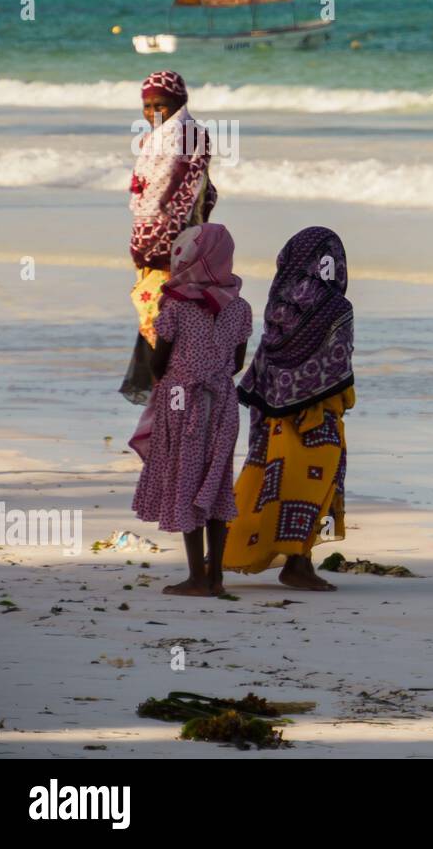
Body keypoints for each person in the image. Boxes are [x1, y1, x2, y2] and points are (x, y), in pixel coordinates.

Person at [223, 228, 355, 591]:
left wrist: (277, 401)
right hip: (318, 416)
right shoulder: (338, 308)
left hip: (274, 416)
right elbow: (339, 365)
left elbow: (264, 360)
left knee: (274, 485)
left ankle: (241, 551)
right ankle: (298, 564)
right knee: (315, 487)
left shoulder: (277, 302)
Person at [129, 223, 252, 595]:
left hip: (182, 400)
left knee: (186, 480)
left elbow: (158, 360)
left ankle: (196, 577)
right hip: (223, 401)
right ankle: (215, 576)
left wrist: (178, 381)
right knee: (216, 485)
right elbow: (237, 362)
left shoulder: (177, 304)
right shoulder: (240, 306)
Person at [120, 70, 217, 403]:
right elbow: (201, 194)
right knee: (171, 323)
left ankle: (169, 410)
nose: (152, 113)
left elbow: (168, 197)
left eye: (159, 105)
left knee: (163, 324)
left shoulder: (178, 136)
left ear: (179, 102)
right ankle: (171, 409)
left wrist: (149, 246)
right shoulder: (176, 135)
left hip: (169, 251)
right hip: (180, 247)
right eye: (147, 106)